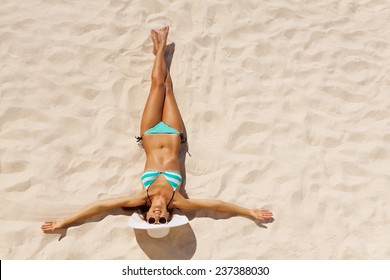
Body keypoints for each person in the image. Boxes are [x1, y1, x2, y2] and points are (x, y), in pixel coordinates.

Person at [41, 26, 273, 233]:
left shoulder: (141, 197)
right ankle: (159, 52)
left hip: (150, 132)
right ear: (169, 216)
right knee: (168, 89)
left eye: (152, 220)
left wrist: (67, 221)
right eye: (162, 221)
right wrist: (249, 212)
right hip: (173, 133)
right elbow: (217, 205)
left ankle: (159, 50)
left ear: (147, 215)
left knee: (156, 85)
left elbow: (101, 206)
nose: (157, 217)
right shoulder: (179, 201)